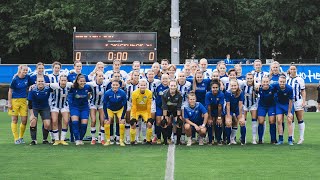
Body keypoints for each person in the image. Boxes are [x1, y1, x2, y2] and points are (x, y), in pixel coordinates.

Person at [8, 64, 33, 144]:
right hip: (15, 101)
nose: (25, 71)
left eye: (26, 70)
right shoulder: (15, 79)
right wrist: (9, 102)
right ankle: (16, 139)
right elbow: (10, 91)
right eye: (24, 70)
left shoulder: (27, 77)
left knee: (24, 120)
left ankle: (21, 137)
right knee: (14, 119)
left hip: (23, 101)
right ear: (20, 70)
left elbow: (31, 85)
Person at [68, 74, 92, 145]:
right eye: (81, 81)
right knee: (75, 122)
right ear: (77, 81)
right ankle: (77, 139)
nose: (82, 83)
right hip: (74, 107)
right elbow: (69, 98)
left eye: (84, 81)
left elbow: (91, 93)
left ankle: (81, 138)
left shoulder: (88, 87)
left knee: (84, 124)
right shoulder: (73, 88)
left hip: (84, 107)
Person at [49, 74, 72, 145]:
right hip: (55, 105)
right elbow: (46, 85)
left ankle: (62, 139)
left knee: (66, 120)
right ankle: (56, 140)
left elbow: (77, 84)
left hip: (64, 105)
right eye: (62, 80)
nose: (63, 82)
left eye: (65, 80)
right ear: (59, 80)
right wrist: (33, 85)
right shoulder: (54, 85)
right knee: (54, 120)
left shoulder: (69, 85)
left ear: (67, 81)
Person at [103, 79, 127, 146]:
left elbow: (125, 105)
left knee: (121, 122)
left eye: (116, 85)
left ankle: (120, 140)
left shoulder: (122, 93)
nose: (115, 86)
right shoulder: (107, 93)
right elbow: (104, 105)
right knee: (107, 122)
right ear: (111, 85)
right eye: (113, 85)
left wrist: (122, 116)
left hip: (120, 109)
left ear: (119, 85)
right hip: (110, 109)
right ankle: (108, 140)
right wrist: (106, 116)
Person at [28, 77, 52, 145]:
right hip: (34, 107)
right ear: (36, 82)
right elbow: (29, 103)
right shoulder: (32, 89)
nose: (40, 82)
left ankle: (45, 139)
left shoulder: (48, 88)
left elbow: (57, 86)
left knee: (47, 124)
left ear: (44, 82)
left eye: (42, 81)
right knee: (33, 121)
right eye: (39, 81)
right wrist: (32, 115)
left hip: (45, 107)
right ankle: (34, 140)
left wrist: (49, 84)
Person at [87, 71, 108, 145]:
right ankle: (93, 138)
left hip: (102, 104)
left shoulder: (106, 83)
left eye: (102, 76)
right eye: (99, 76)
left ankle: (101, 138)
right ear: (96, 77)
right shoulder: (91, 84)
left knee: (102, 120)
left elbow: (113, 79)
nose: (101, 77)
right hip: (93, 104)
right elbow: (82, 84)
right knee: (93, 120)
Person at [287, 64, 306, 144]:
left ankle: (301, 138)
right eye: (291, 69)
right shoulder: (287, 79)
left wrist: (304, 101)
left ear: (296, 70)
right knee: (291, 119)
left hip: (298, 100)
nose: (293, 70)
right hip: (289, 102)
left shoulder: (300, 79)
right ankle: (292, 136)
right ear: (289, 70)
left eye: (294, 69)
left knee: (300, 119)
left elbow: (303, 91)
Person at [130, 79, 153, 144]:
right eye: (141, 85)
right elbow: (134, 106)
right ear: (138, 85)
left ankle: (148, 140)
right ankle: (132, 140)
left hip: (145, 110)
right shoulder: (134, 93)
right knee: (133, 124)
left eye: (144, 85)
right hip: (136, 110)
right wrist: (134, 117)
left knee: (149, 124)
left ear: (146, 86)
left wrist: (149, 117)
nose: (143, 86)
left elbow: (149, 106)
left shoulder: (149, 93)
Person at [274, 75, 294, 145]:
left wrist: (289, 112)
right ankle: (280, 139)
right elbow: (267, 86)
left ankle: (290, 139)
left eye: (283, 82)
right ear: (278, 81)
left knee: (289, 120)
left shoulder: (290, 88)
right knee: (279, 121)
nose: (282, 83)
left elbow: (291, 101)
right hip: (279, 105)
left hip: (287, 105)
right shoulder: (275, 85)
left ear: (285, 82)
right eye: (280, 82)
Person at [256, 77, 277, 144]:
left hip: (271, 106)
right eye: (264, 82)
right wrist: (257, 84)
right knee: (261, 121)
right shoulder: (258, 88)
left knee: (272, 121)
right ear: (261, 82)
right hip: (262, 106)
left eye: (267, 82)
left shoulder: (273, 88)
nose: (265, 83)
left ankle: (273, 139)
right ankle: (260, 139)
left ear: (269, 82)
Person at [161, 80, 183, 145]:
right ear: (169, 86)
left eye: (174, 86)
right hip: (167, 110)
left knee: (179, 122)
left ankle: (178, 140)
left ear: (176, 86)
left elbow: (179, 107)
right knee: (164, 122)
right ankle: (166, 140)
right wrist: (165, 117)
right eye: (171, 85)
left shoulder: (179, 95)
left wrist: (178, 117)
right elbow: (164, 106)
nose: (173, 87)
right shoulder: (164, 94)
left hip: (175, 110)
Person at [225, 80, 246, 145]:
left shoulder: (241, 92)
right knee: (228, 122)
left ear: (237, 86)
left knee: (242, 122)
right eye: (232, 86)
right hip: (230, 109)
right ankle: (228, 140)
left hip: (237, 109)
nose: (233, 87)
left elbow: (240, 105)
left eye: (235, 85)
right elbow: (228, 105)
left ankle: (243, 140)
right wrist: (228, 116)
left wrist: (240, 115)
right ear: (230, 86)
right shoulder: (227, 93)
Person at [205, 80, 224, 145]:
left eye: (216, 87)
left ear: (218, 88)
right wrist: (209, 117)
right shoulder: (208, 94)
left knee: (219, 123)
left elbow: (220, 106)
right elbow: (208, 106)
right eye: (213, 88)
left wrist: (219, 117)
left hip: (218, 110)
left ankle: (218, 139)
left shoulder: (221, 94)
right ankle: (210, 139)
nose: (215, 89)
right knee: (210, 123)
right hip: (210, 110)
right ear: (211, 88)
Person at [242, 73, 258, 144]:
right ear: (246, 79)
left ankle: (254, 139)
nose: (249, 80)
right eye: (248, 78)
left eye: (251, 78)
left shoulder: (256, 86)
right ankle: (244, 138)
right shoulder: (243, 85)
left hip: (253, 104)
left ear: (253, 78)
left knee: (254, 121)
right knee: (243, 121)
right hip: (244, 104)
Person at [125, 71, 140, 144]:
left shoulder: (140, 85)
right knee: (128, 120)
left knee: (136, 121)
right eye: (135, 75)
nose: (136, 77)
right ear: (132, 76)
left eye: (137, 75)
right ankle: (127, 137)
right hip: (129, 103)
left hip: (138, 104)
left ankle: (136, 138)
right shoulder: (127, 84)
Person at [155, 74, 169, 144]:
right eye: (163, 79)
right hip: (159, 107)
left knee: (168, 122)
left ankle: (168, 138)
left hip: (168, 108)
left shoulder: (171, 87)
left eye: (166, 79)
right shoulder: (158, 87)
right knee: (158, 121)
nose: (165, 80)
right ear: (161, 79)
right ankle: (158, 138)